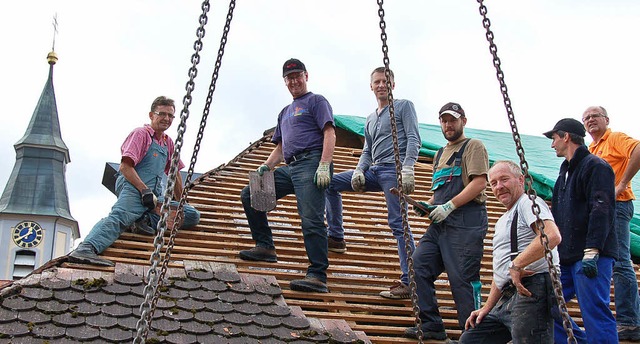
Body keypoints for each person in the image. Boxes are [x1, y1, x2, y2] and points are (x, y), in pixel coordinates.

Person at [238, 58, 335, 293]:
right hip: (291, 166)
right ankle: (265, 246)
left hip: (312, 162)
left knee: (310, 217)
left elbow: (329, 133)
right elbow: (280, 148)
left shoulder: (316, 101)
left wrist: (324, 164)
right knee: (251, 193)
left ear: (306, 76)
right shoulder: (284, 112)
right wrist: (266, 166)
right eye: (289, 78)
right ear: (285, 82)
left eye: (298, 76)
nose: (294, 81)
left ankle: (317, 275)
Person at [69, 96, 201, 267]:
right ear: (151, 115)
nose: (166, 119)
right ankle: (87, 248)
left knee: (191, 215)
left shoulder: (168, 143)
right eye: (161, 114)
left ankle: (142, 219)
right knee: (121, 216)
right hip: (134, 187)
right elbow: (125, 167)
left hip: (154, 195)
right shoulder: (141, 134)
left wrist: (182, 201)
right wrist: (143, 190)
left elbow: (174, 174)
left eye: (170, 115)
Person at [324, 67, 421, 299]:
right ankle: (336, 235)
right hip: (374, 170)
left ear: (393, 85)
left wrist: (408, 167)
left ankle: (411, 281)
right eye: (376, 82)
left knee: (398, 223)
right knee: (330, 184)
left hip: (393, 170)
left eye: (385, 81)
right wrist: (359, 170)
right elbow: (367, 150)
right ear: (371, 86)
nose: (380, 85)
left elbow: (414, 138)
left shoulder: (404, 106)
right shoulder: (370, 118)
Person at [405, 102, 489, 340]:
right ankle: (431, 324)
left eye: (452, 119)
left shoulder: (473, 146)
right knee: (417, 267)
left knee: (462, 279)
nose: (448, 124)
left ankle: (472, 334)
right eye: (444, 120)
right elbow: (439, 192)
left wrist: (450, 206)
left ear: (463, 120)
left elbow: (479, 183)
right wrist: (428, 205)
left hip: (466, 221)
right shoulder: (440, 154)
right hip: (440, 224)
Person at [459, 160, 561, 343]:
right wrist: (487, 308)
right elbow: (501, 273)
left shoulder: (528, 203)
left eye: (504, 179)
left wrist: (517, 264)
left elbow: (551, 236)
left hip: (532, 286)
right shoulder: (502, 221)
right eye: (494, 183)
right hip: (507, 296)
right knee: (472, 340)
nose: (499, 187)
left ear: (521, 180)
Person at [544, 118, 618, 343]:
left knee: (594, 311)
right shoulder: (563, 175)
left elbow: (601, 207)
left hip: (591, 256)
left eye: (554, 138)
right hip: (567, 257)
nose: (552, 144)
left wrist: (592, 249)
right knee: (546, 305)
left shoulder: (596, 166)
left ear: (566, 136)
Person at [583, 105, 640, 341]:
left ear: (606, 119)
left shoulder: (614, 138)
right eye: (586, 118)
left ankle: (629, 321)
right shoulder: (591, 149)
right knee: (606, 260)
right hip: (600, 210)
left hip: (617, 206)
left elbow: (638, 149)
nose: (590, 120)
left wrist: (622, 183)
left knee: (621, 262)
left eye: (595, 116)